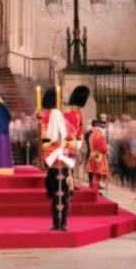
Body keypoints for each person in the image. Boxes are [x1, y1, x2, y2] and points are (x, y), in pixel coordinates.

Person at [40, 88, 75, 231]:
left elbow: (71, 144)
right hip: (54, 167)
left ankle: (64, 222)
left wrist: (65, 147)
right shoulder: (48, 137)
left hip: (63, 167)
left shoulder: (65, 135)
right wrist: (56, 150)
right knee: (55, 197)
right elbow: (45, 148)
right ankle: (55, 222)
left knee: (64, 196)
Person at [85, 119, 110, 193]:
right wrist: (107, 147)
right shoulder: (100, 135)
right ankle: (95, 191)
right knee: (97, 175)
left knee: (94, 175)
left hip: (92, 155)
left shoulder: (92, 134)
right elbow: (103, 149)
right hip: (99, 157)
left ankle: (94, 189)